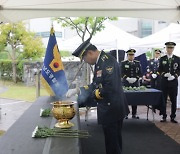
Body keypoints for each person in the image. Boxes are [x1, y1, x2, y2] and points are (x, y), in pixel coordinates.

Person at [66, 38, 127, 154]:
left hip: (112, 109)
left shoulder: (107, 62)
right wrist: (78, 90)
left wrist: (93, 94)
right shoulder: (100, 62)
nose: (86, 61)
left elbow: (110, 87)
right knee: (111, 142)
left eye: (84, 58)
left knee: (113, 143)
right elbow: (95, 84)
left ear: (90, 53)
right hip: (109, 108)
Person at [158, 42, 180, 123]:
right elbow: (159, 70)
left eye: (171, 48)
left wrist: (175, 76)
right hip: (164, 82)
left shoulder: (177, 59)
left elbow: (179, 69)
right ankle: (164, 116)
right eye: (168, 48)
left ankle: (173, 116)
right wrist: (164, 74)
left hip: (173, 82)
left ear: (173, 49)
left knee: (173, 100)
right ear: (166, 48)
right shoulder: (162, 58)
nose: (169, 49)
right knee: (163, 99)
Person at [121, 49, 142, 119]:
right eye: (130, 55)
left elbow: (140, 73)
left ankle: (134, 113)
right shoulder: (123, 63)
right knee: (125, 98)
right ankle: (125, 113)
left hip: (135, 83)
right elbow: (121, 72)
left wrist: (136, 78)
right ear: (127, 56)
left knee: (134, 98)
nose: (131, 56)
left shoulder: (137, 63)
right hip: (126, 82)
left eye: (132, 55)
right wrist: (127, 78)